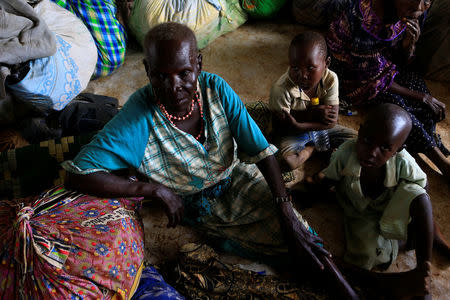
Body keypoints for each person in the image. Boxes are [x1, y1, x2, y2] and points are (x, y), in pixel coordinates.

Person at [62, 23, 358, 299]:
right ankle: (354, 288)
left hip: (238, 175)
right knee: (287, 250)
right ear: (147, 70)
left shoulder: (215, 89)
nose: (173, 85)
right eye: (160, 76)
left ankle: (356, 287)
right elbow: (78, 174)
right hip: (203, 204)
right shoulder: (138, 116)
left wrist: (286, 211)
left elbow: (261, 151)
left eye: (184, 73)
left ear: (199, 64)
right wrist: (154, 190)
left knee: (301, 234)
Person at [308, 103, 438, 299]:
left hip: (390, 204)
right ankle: (399, 250)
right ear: (360, 132)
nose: (372, 152)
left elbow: (422, 188)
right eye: (367, 140)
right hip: (360, 211)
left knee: (420, 197)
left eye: (385, 148)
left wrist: (412, 211)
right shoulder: (346, 152)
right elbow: (329, 178)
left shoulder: (404, 161)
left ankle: (423, 269)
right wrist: (310, 195)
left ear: (398, 150)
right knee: (364, 257)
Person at [326, 0, 450, 180]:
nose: (419, 7)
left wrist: (409, 43)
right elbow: (369, 78)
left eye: (427, 0)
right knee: (396, 111)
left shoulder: (414, 11)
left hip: (382, 65)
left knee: (418, 87)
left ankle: (425, 139)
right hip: (352, 73)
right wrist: (421, 97)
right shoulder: (365, 19)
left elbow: (400, 62)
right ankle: (438, 159)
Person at [269, 31, 356, 171]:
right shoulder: (281, 89)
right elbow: (279, 128)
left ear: (326, 63)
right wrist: (310, 115)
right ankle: (312, 149)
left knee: (356, 140)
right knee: (287, 162)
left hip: (316, 129)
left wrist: (299, 123)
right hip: (292, 135)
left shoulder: (331, 79)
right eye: (295, 68)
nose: (302, 75)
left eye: (310, 68)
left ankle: (320, 147)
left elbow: (332, 122)